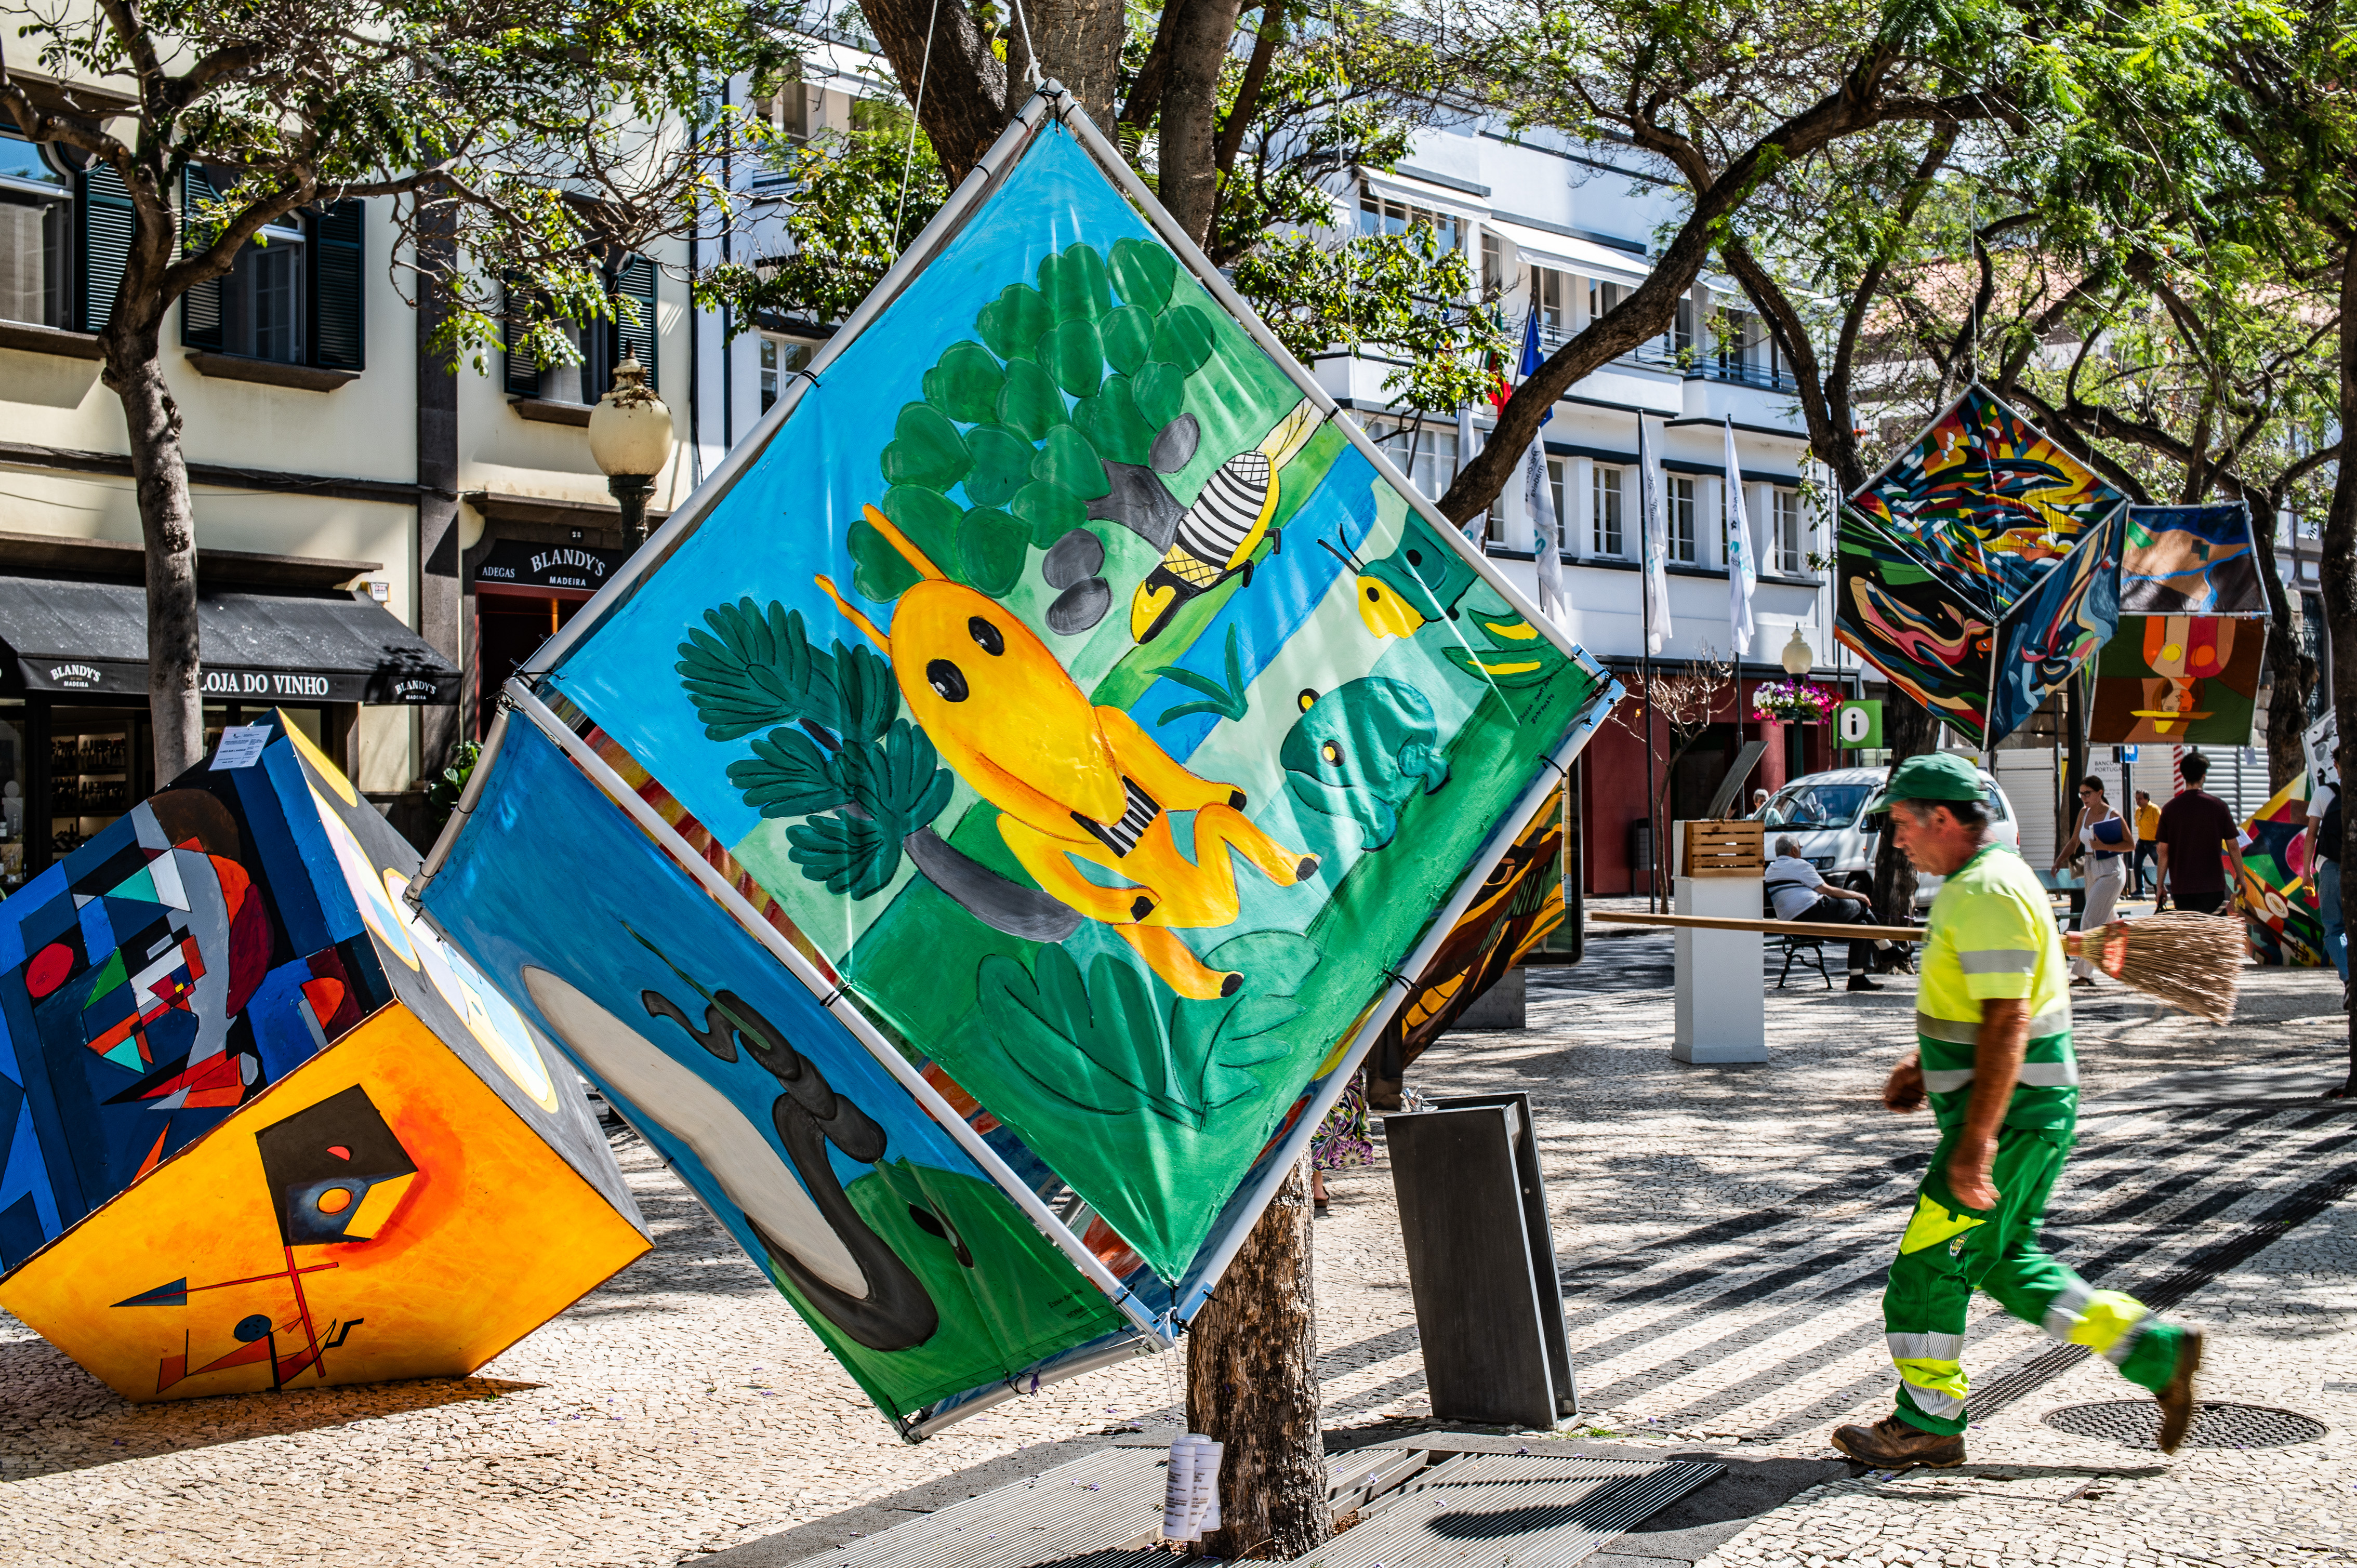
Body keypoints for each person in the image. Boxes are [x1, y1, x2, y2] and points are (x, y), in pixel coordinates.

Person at [1831, 752, 2202, 1468]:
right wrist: (1923, 1064)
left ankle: (1928, 1422)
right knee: (2006, 1264)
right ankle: (2155, 1352)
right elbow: (1993, 998)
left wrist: (1974, 1145)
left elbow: (2008, 1018)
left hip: (2007, 1119)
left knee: (1927, 1269)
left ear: (1942, 817)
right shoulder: (1998, 880)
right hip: (2030, 1112)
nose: (1897, 838)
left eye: (1903, 823)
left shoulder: (1982, 893)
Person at [1765, 835, 1887, 990]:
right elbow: (1826, 890)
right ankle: (1886, 948)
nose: (1801, 851)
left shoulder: (1772, 869)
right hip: (1813, 913)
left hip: (1795, 927)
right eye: (1800, 848)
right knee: (1860, 905)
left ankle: (1858, 978)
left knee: (1861, 925)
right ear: (1794, 850)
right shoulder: (1799, 865)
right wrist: (1857, 895)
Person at [2056, 777, 2130, 988]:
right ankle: (2128, 956)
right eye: (2081, 794)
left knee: (2090, 919)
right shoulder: (2083, 813)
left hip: (2111, 870)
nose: (2084, 798)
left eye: (2087, 793)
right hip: (2090, 866)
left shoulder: (2112, 815)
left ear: (2100, 792)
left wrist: (2104, 844)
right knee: (2108, 919)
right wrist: (2059, 861)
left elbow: (2130, 844)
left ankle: (2084, 973)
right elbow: (2074, 842)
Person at [2153, 754, 2246, 916]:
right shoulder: (2219, 807)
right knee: (2214, 936)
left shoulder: (2169, 809)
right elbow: (2233, 847)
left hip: (2182, 887)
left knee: (2189, 937)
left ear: (2183, 776)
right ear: (2204, 776)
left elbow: (2163, 851)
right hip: (2212, 886)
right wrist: (2241, 877)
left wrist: (2160, 886)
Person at [2303, 774, 2346, 998]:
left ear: (2337, 764)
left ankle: (2349, 980)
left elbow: (2311, 835)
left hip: (2329, 868)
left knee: (2334, 929)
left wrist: (2307, 873)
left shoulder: (2323, 793)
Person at [2132, 790, 2162, 899]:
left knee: (2159, 866)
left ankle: (2162, 888)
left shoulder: (2154, 809)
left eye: (2140, 799)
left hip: (2154, 842)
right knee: (2137, 864)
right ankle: (2140, 890)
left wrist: (2160, 842)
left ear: (2147, 799)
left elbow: (2161, 826)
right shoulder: (2138, 811)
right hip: (2142, 841)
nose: (2138, 801)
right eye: (2136, 799)